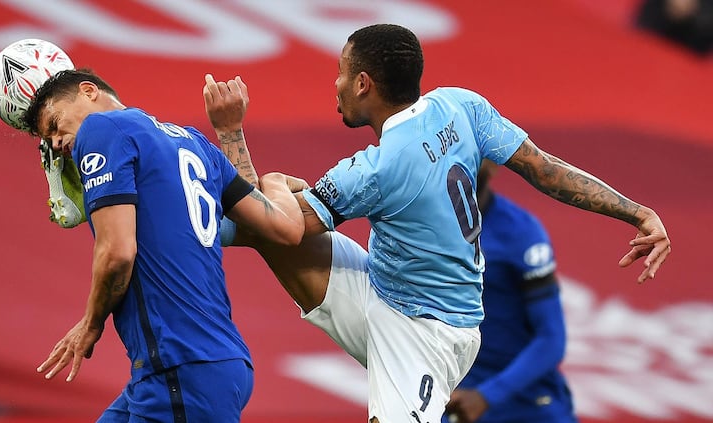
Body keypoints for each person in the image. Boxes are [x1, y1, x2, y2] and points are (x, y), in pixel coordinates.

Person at [202, 23, 670, 423]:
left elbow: (275, 223)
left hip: (427, 334)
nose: (337, 83)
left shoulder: (376, 169)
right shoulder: (460, 106)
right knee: (266, 227)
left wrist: (234, 136)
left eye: (341, 72)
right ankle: (178, 224)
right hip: (383, 292)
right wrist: (637, 211)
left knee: (276, 218)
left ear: (363, 83)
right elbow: (544, 168)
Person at [22, 69, 305, 422]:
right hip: (207, 366)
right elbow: (286, 230)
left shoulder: (101, 129)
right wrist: (272, 178)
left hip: (181, 369)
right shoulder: (195, 142)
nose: (55, 142)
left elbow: (118, 252)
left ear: (88, 90)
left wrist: (91, 324)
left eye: (53, 123)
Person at [444, 161, 578, 423]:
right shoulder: (420, 228)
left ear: (493, 165)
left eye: (473, 155)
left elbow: (552, 338)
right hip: (453, 401)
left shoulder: (520, 232)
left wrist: (486, 396)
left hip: (527, 405)